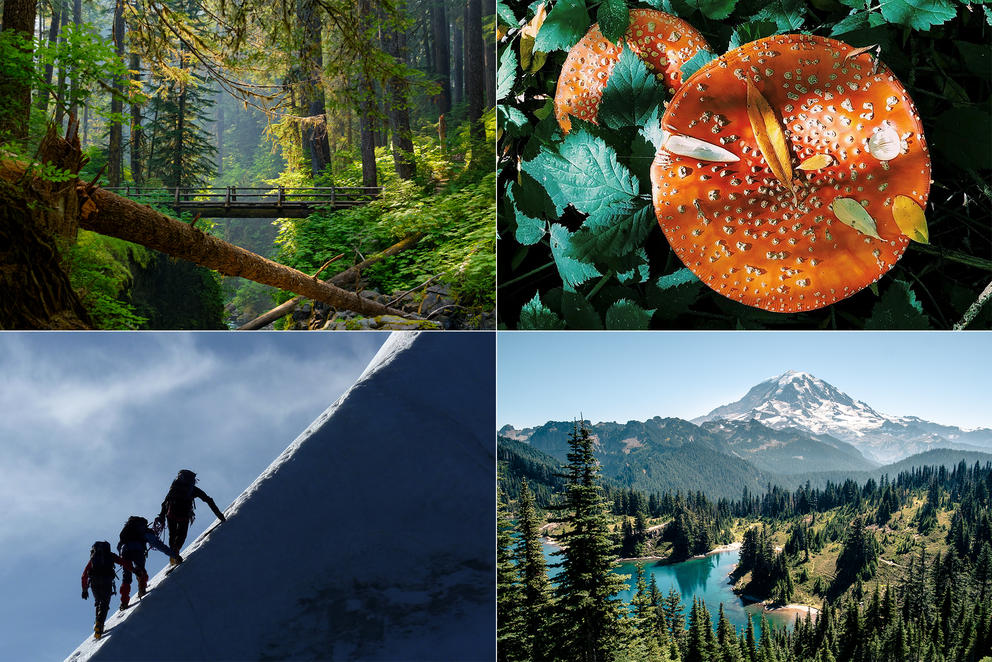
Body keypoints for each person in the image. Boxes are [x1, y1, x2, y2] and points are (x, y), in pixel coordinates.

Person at [154, 469, 226, 561]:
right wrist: (219, 515)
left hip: (171, 514)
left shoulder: (174, 488)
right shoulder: (193, 490)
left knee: (172, 534)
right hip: (183, 515)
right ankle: (175, 551)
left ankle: (173, 554)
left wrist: (161, 516)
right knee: (181, 535)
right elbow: (208, 500)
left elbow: (165, 503)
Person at [117, 515, 181, 609]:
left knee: (126, 577)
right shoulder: (145, 531)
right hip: (138, 550)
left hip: (125, 551)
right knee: (141, 570)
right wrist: (174, 555)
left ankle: (124, 602)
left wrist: (121, 556)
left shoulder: (127, 532)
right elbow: (158, 545)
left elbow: (119, 546)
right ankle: (142, 589)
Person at [81, 541, 133, 639]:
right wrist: (134, 570)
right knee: (104, 603)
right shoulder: (110, 555)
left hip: (94, 582)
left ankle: (98, 624)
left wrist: (84, 590)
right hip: (106, 580)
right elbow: (124, 563)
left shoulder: (92, 559)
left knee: (98, 602)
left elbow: (84, 574)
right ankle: (99, 625)